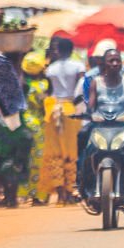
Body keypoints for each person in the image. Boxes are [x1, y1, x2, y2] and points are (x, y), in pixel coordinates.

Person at [84, 49, 124, 201]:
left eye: (117, 60)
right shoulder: (96, 83)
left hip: (123, 126)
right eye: (111, 61)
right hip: (101, 127)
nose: (115, 63)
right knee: (85, 146)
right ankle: (82, 184)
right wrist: (89, 114)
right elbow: (91, 105)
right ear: (104, 63)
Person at [42, 38, 84, 204]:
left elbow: (49, 91)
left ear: (58, 50)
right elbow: (81, 89)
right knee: (71, 151)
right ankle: (69, 189)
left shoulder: (50, 68)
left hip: (53, 110)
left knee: (55, 152)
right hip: (70, 108)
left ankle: (60, 193)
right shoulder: (78, 66)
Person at [19, 51, 49, 204]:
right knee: (39, 161)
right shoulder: (44, 85)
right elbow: (45, 107)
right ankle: (39, 194)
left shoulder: (22, 83)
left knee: (25, 160)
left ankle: (22, 193)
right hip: (39, 125)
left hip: (23, 123)